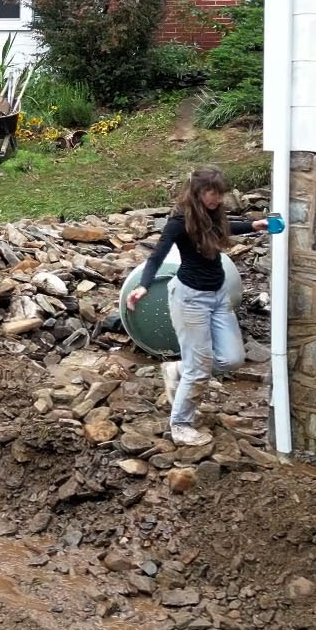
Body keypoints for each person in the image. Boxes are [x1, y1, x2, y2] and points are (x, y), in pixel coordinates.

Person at [125, 166, 263, 448]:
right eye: (210, 193)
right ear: (198, 192)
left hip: (219, 295)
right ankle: (180, 425)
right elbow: (156, 257)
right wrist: (143, 285)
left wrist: (252, 225)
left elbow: (223, 228)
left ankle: (178, 370)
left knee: (233, 358)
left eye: (219, 194)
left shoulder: (213, 214)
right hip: (190, 299)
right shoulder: (180, 221)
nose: (215, 199)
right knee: (199, 370)